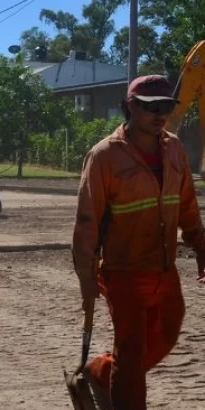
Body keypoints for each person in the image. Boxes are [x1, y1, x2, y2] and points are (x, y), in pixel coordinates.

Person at [72, 74, 205, 409]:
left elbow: (187, 203)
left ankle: (102, 372)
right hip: (124, 272)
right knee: (131, 355)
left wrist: (202, 246)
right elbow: (87, 222)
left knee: (166, 334)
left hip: (164, 268)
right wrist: (87, 279)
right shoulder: (104, 156)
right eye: (150, 107)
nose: (160, 113)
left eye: (166, 106)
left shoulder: (173, 148)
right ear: (131, 106)